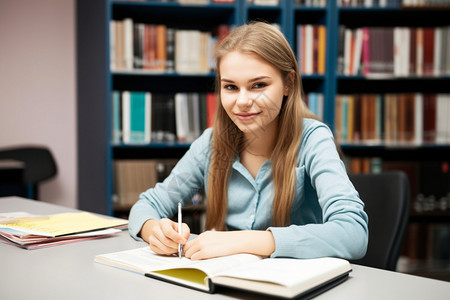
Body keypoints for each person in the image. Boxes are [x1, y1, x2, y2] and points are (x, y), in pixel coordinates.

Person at [129, 22, 368, 261]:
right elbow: (147, 204)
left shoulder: (313, 139)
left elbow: (354, 233)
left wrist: (245, 240)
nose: (242, 101)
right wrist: (154, 231)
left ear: (288, 84)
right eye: (231, 87)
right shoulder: (211, 143)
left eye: (258, 85)